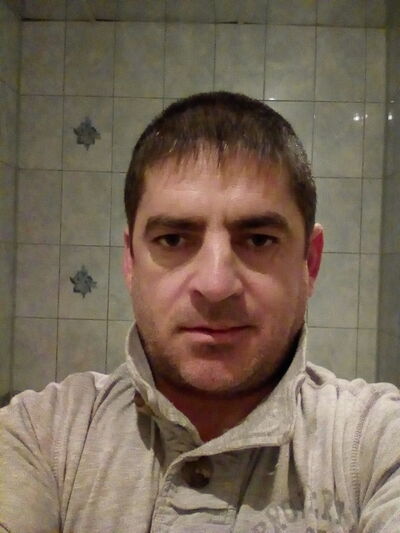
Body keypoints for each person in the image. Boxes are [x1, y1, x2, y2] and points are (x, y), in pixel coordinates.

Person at [0, 92, 399, 532]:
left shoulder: (378, 444)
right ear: (131, 262)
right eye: (173, 239)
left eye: (259, 240)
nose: (215, 285)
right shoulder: (39, 435)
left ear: (310, 262)